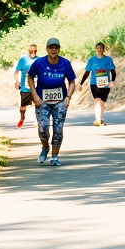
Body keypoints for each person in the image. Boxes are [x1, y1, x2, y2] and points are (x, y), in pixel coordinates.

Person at [27, 38, 77, 166]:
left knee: (58, 129)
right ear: (47, 49)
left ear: (59, 49)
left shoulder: (65, 63)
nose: (54, 50)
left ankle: (55, 156)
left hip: (60, 101)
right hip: (42, 100)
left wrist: (68, 97)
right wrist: (34, 94)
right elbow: (30, 77)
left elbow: (72, 82)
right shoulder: (39, 62)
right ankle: (45, 147)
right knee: (43, 127)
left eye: (56, 47)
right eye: (51, 47)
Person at [80, 42, 117, 126]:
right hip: (94, 83)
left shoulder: (108, 60)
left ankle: (100, 118)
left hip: (105, 84)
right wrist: (81, 83)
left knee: (102, 102)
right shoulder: (92, 60)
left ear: (103, 49)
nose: (99, 50)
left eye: (100, 48)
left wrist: (112, 81)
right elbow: (87, 72)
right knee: (97, 99)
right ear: (96, 49)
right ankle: (97, 119)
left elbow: (113, 72)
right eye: (97, 48)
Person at [14, 44, 39, 128]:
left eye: (34, 51)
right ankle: (22, 117)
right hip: (25, 87)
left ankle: (37, 120)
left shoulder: (39, 60)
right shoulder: (23, 59)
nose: (33, 52)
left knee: (38, 103)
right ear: (29, 51)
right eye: (31, 51)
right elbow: (16, 72)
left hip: (36, 87)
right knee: (23, 105)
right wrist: (17, 81)